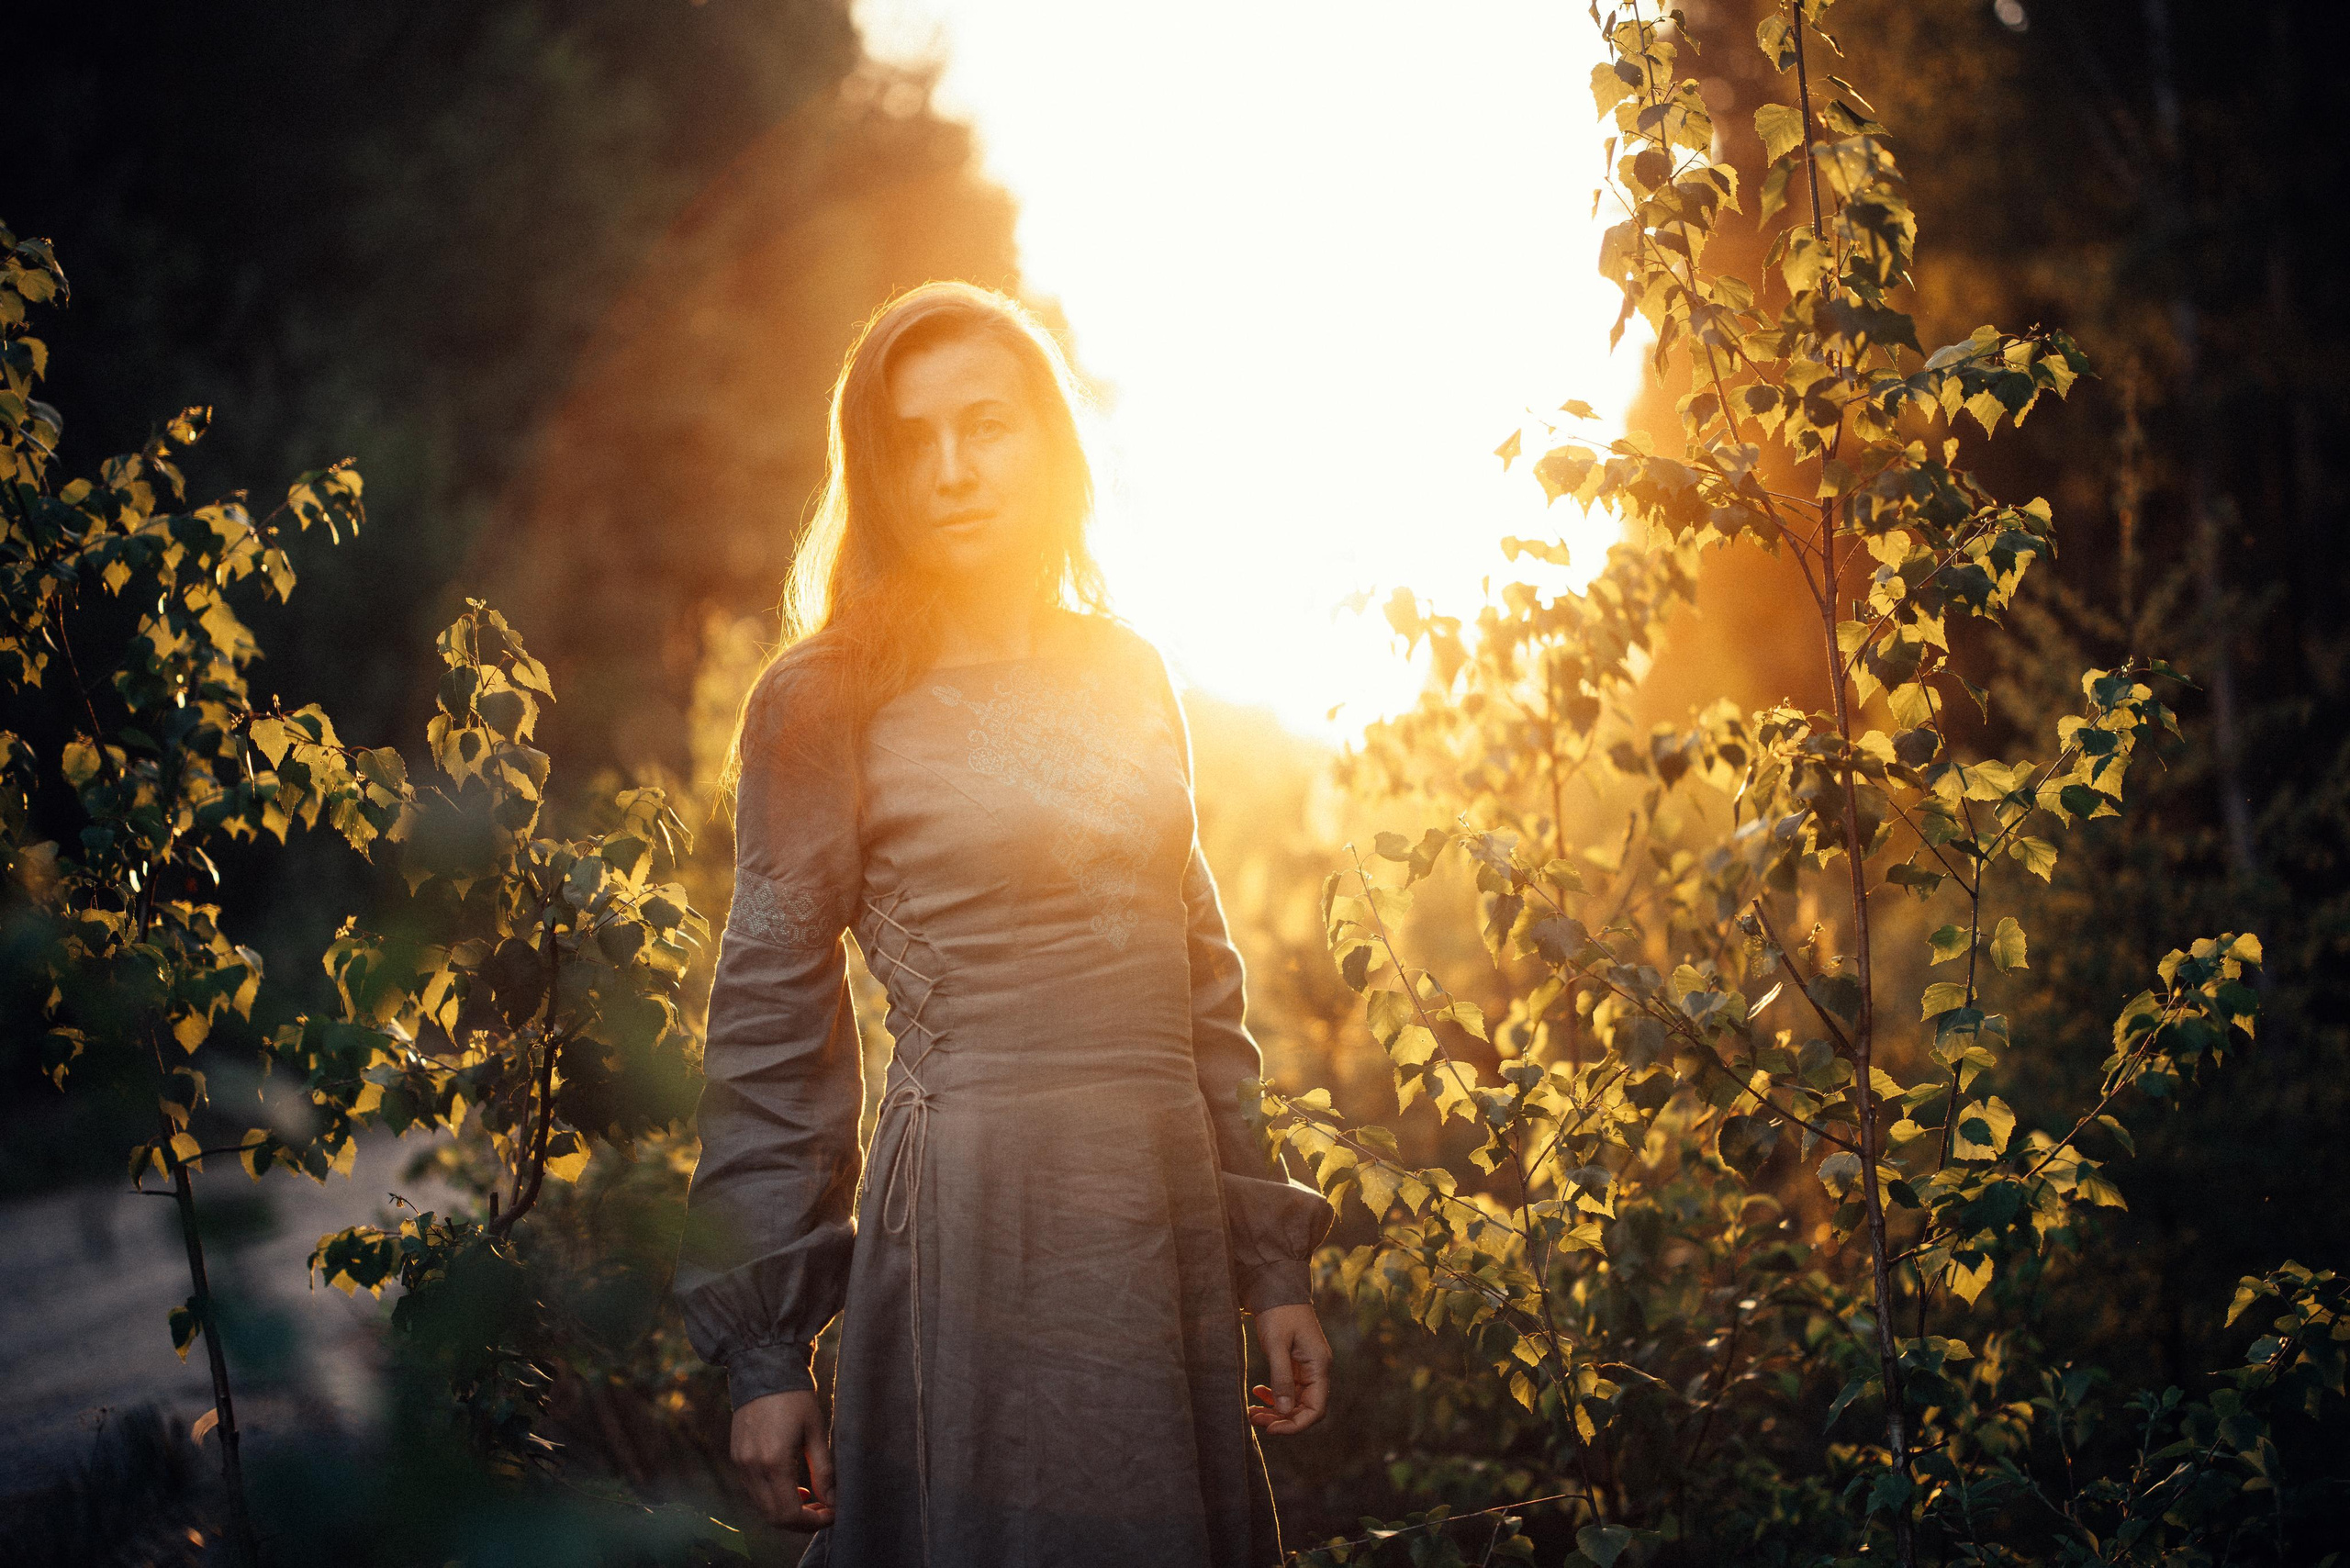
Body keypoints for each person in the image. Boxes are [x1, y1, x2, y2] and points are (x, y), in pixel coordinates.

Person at [672, 280, 1337, 1567]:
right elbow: (769, 1027)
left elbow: (1203, 989)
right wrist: (765, 1352)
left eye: (987, 426)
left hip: (1159, 1219)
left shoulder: (1133, 671)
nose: (954, 468)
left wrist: (1275, 1263)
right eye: (912, 442)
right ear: (874, 473)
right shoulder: (822, 702)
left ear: (1052, 444)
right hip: (978, 1222)